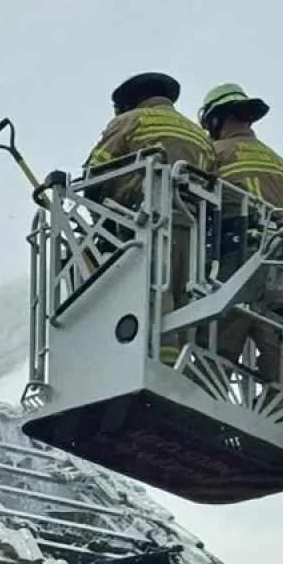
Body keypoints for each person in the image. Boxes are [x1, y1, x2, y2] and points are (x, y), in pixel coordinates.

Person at [84, 73, 216, 364]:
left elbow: (95, 172)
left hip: (144, 222)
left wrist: (97, 221)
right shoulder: (200, 137)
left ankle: (158, 365)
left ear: (129, 103)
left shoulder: (131, 121)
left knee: (154, 296)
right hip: (192, 230)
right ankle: (183, 367)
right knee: (186, 302)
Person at [197, 83, 283, 400]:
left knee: (217, 342)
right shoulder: (280, 163)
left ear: (215, 120)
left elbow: (192, 203)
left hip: (236, 258)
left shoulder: (214, 154)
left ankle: (198, 400)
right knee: (281, 346)